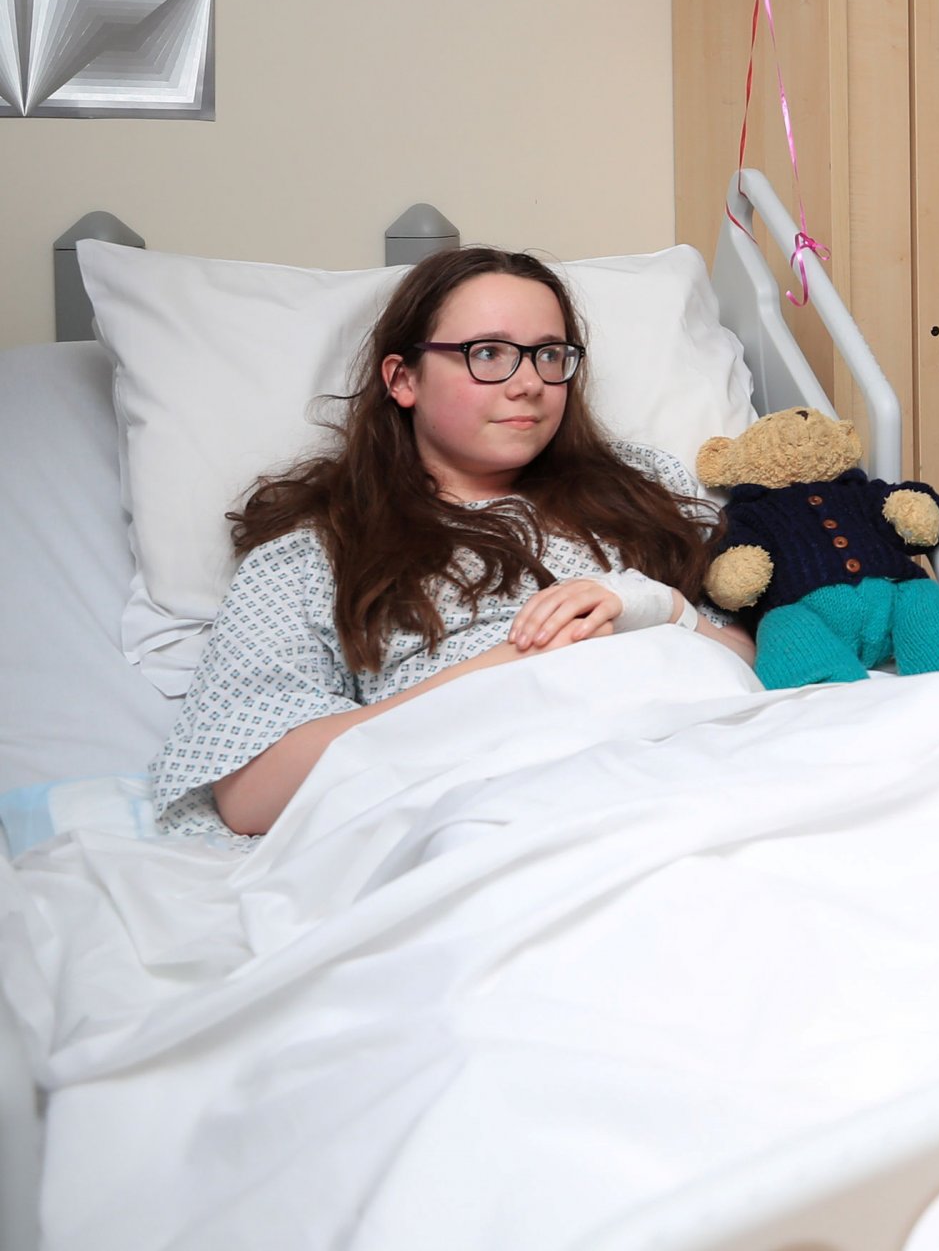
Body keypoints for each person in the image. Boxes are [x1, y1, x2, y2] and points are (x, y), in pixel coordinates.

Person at [150, 247, 755, 838]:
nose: (528, 384)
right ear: (403, 378)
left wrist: (660, 609)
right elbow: (251, 795)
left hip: (706, 764)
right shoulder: (320, 551)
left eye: (549, 354)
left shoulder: (640, 491)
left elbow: (755, 670)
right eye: (487, 353)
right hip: (504, 805)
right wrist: (507, 671)